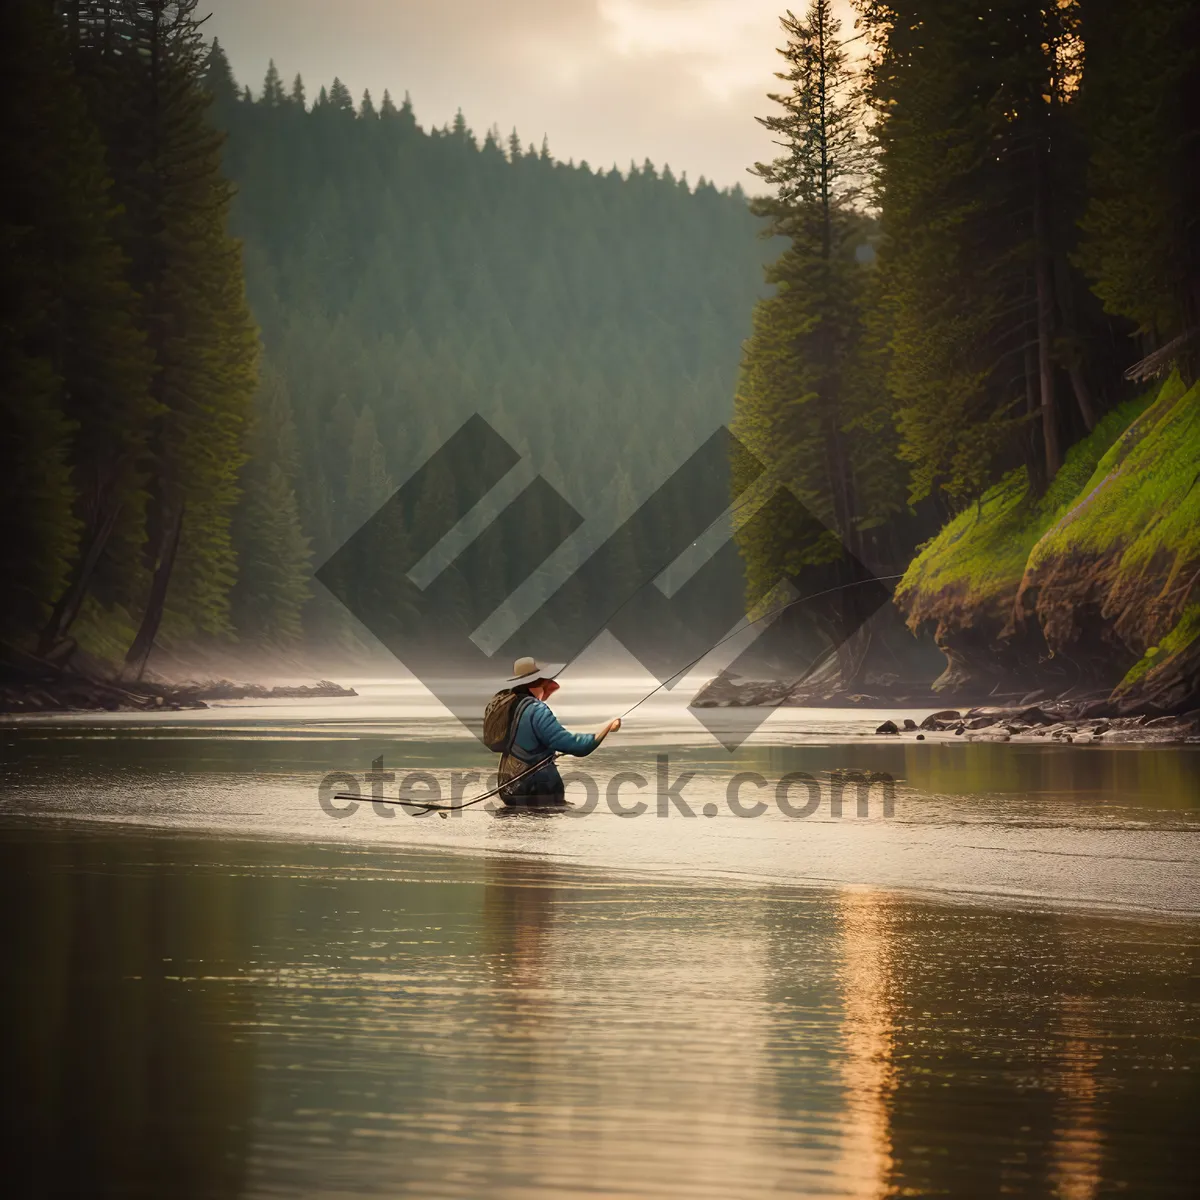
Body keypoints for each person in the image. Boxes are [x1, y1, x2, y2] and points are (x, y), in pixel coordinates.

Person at [497, 656, 621, 806]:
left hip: (508, 786)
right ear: (539, 682)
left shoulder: (510, 706)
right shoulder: (536, 710)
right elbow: (575, 746)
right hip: (537, 789)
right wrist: (607, 727)